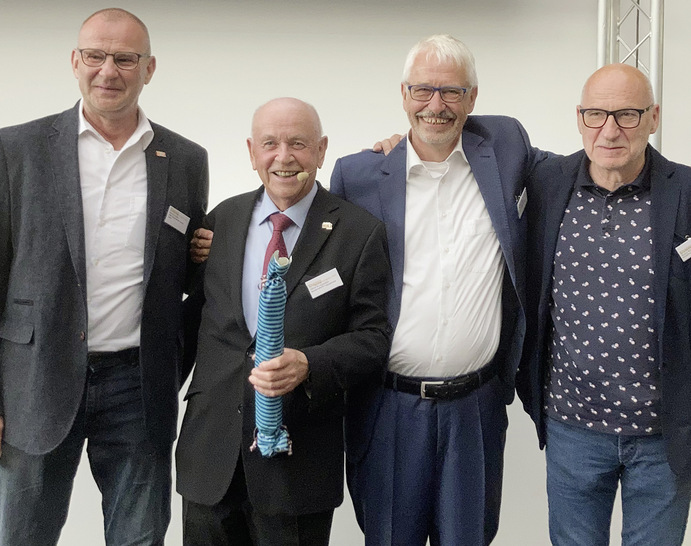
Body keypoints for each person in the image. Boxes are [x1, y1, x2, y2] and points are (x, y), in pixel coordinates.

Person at [0, 8, 208, 545]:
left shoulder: (185, 159)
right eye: (95, 55)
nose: (108, 70)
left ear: (149, 68)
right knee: (23, 535)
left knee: (139, 536)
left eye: (124, 58)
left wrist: (204, 253)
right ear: (75, 61)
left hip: (137, 388)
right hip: (35, 382)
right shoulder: (15, 150)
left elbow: (184, 279)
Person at [329, 34, 544, 545]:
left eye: (451, 92)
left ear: (472, 98)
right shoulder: (358, 175)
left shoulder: (506, 149)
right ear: (403, 94)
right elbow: (322, 263)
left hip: (476, 405)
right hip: (388, 407)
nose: (436, 105)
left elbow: (582, 167)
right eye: (422, 90)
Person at [176, 97, 392, 546]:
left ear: (321, 149)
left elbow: (374, 338)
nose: (284, 157)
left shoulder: (359, 232)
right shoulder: (222, 220)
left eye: (298, 143)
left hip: (299, 461)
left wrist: (310, 364)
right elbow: (192, 319)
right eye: (270, 143)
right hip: (210, 453)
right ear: (252, 152)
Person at [516, 63, 691, 545]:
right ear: (579, 118)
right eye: (597, 114)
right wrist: (396, 142)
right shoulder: (548, 182)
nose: (610, 130)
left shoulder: (687, 192)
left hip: (663, 436)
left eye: (628, 115)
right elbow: (470, 139)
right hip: (572, 426)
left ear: (654, 117)